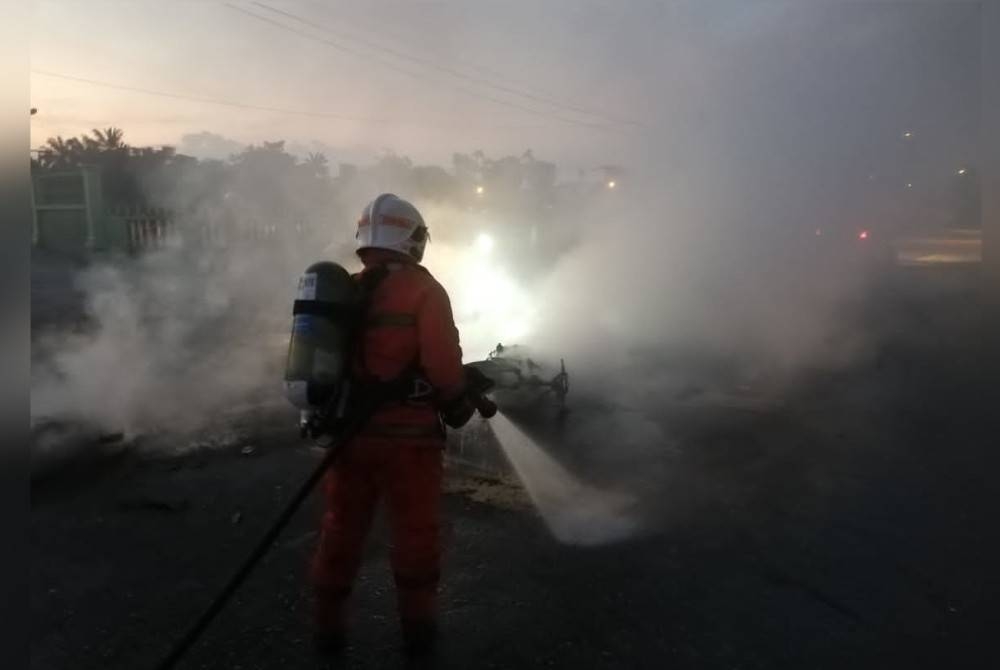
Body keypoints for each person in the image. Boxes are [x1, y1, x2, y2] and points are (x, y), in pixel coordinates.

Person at [310, 193, 475, 656]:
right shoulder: (424, 290)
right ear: (412, 239)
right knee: (415, 537)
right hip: (409, 443)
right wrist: (458, 399)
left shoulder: (347, 290)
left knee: (341, 529)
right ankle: (419, 640)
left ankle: (328, 634)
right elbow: (443, 369)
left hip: (350, 438)